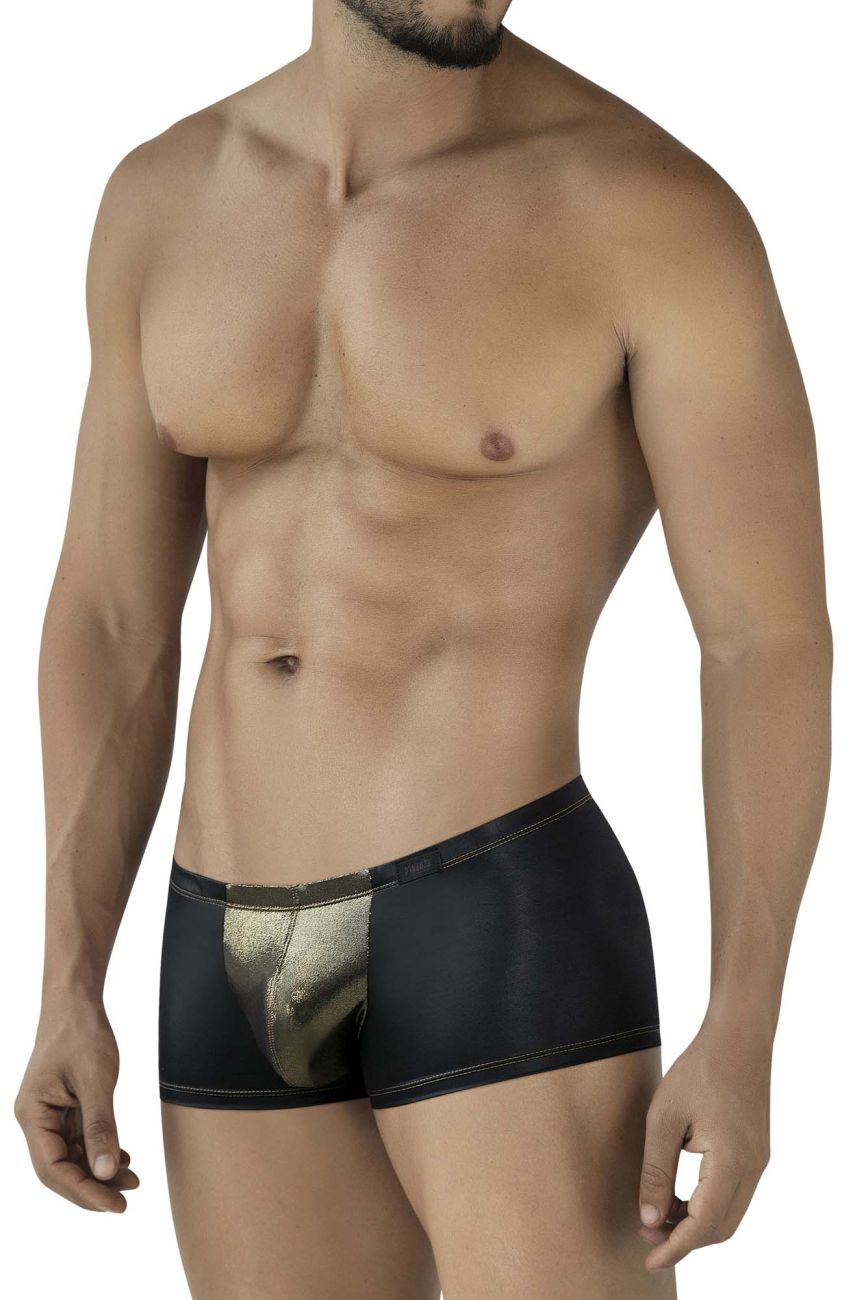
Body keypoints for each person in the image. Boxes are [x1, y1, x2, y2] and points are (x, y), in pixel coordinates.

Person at [14, 2, 832, 1296]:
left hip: (495, 919)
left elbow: (761, 642)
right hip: (222, 938)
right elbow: (111, 617)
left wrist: (744, 1029)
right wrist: (68, 974)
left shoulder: (647, 210)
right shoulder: (163, 197)